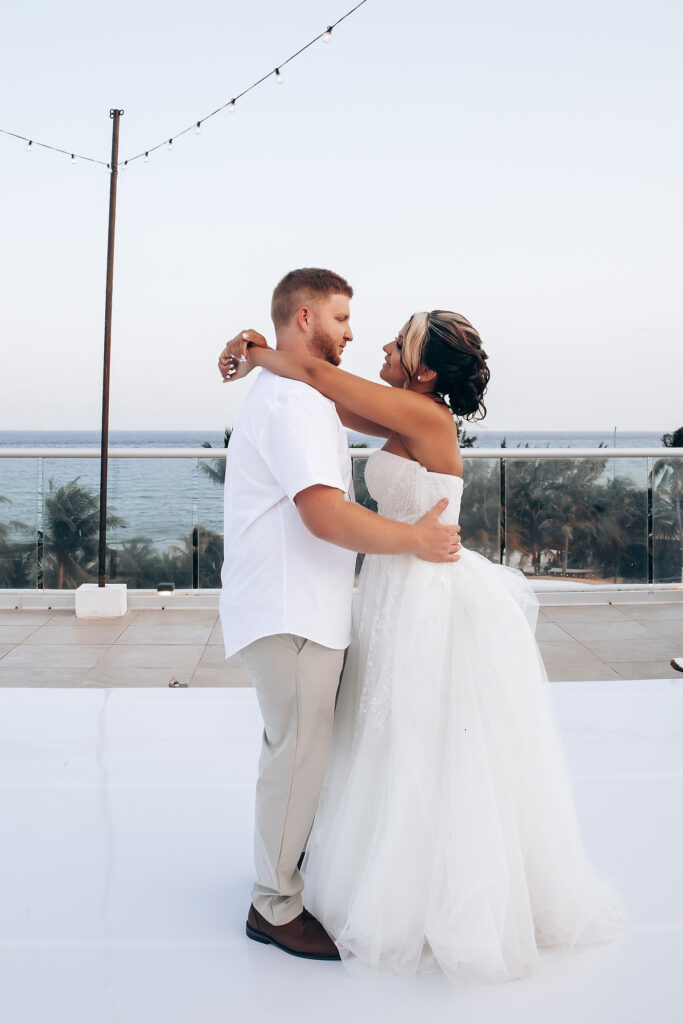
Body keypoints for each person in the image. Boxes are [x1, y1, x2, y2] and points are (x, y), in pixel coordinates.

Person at [220, 307, 627, 983]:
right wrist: (266, 357)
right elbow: (327, 392)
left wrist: (257, 352)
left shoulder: (427, 419)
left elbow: (321, 374)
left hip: (423, 593)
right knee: (378, 731)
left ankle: (419, 891)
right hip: (391, 587)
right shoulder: (403, 408)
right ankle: (356, 867)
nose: (379, 342)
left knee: (417, 737)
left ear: (427, 368)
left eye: (398, 342)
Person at [218, 270, 461, 963]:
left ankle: (293, 876)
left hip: (323, 606)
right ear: (305, 317)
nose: (357, 334)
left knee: (311, 750)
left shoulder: (309, 390)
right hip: (293, 606)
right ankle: (274, 905)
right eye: (343, 318)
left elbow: (326, 385)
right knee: (299, 753)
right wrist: (415, 540)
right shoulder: (295, 400)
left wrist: (255, 347)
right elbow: (323, 514)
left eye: (379, 333)